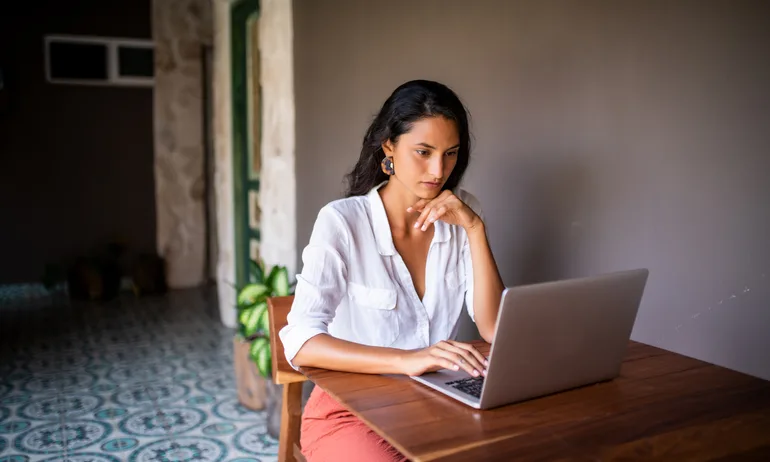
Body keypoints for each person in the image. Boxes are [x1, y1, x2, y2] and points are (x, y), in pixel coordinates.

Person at [279, 80, 505, 462]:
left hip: (435, 405)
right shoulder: (343, 222)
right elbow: (301, 341)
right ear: (389, 147)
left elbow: (494, 328)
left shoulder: (464, 214)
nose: (438, 171)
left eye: (450, 153)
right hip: (349, 413)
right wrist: (408, 359)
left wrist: (475, 229)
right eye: (423, 152)